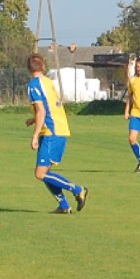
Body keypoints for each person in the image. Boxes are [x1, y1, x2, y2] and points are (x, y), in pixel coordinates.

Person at [26, 53, 88, 214]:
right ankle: (64, 206)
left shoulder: (34, 85)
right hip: (59, 128)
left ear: (28, 69)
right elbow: (49, 108)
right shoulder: (48, 82)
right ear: (43, 67)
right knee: (45, 172)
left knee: (40, 173)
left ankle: (78, 189)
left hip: (52, 132)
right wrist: (34, 120)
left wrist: (34, 135)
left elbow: (42, 111)